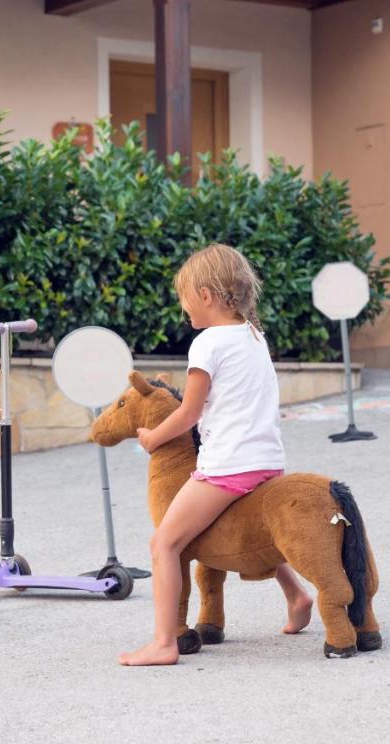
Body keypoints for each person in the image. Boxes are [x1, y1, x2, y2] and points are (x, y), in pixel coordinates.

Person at [119, 244, 313, 666]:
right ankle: (297, 596)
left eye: (184, 296)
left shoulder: (207, 343)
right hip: (266, 461)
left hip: (227, 467)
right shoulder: (253, 336)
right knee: (253, 534)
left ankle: (164, 643)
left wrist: (153, 438)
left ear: (206, 296)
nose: (183, 307)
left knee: (165, 544)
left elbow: (189, 411)